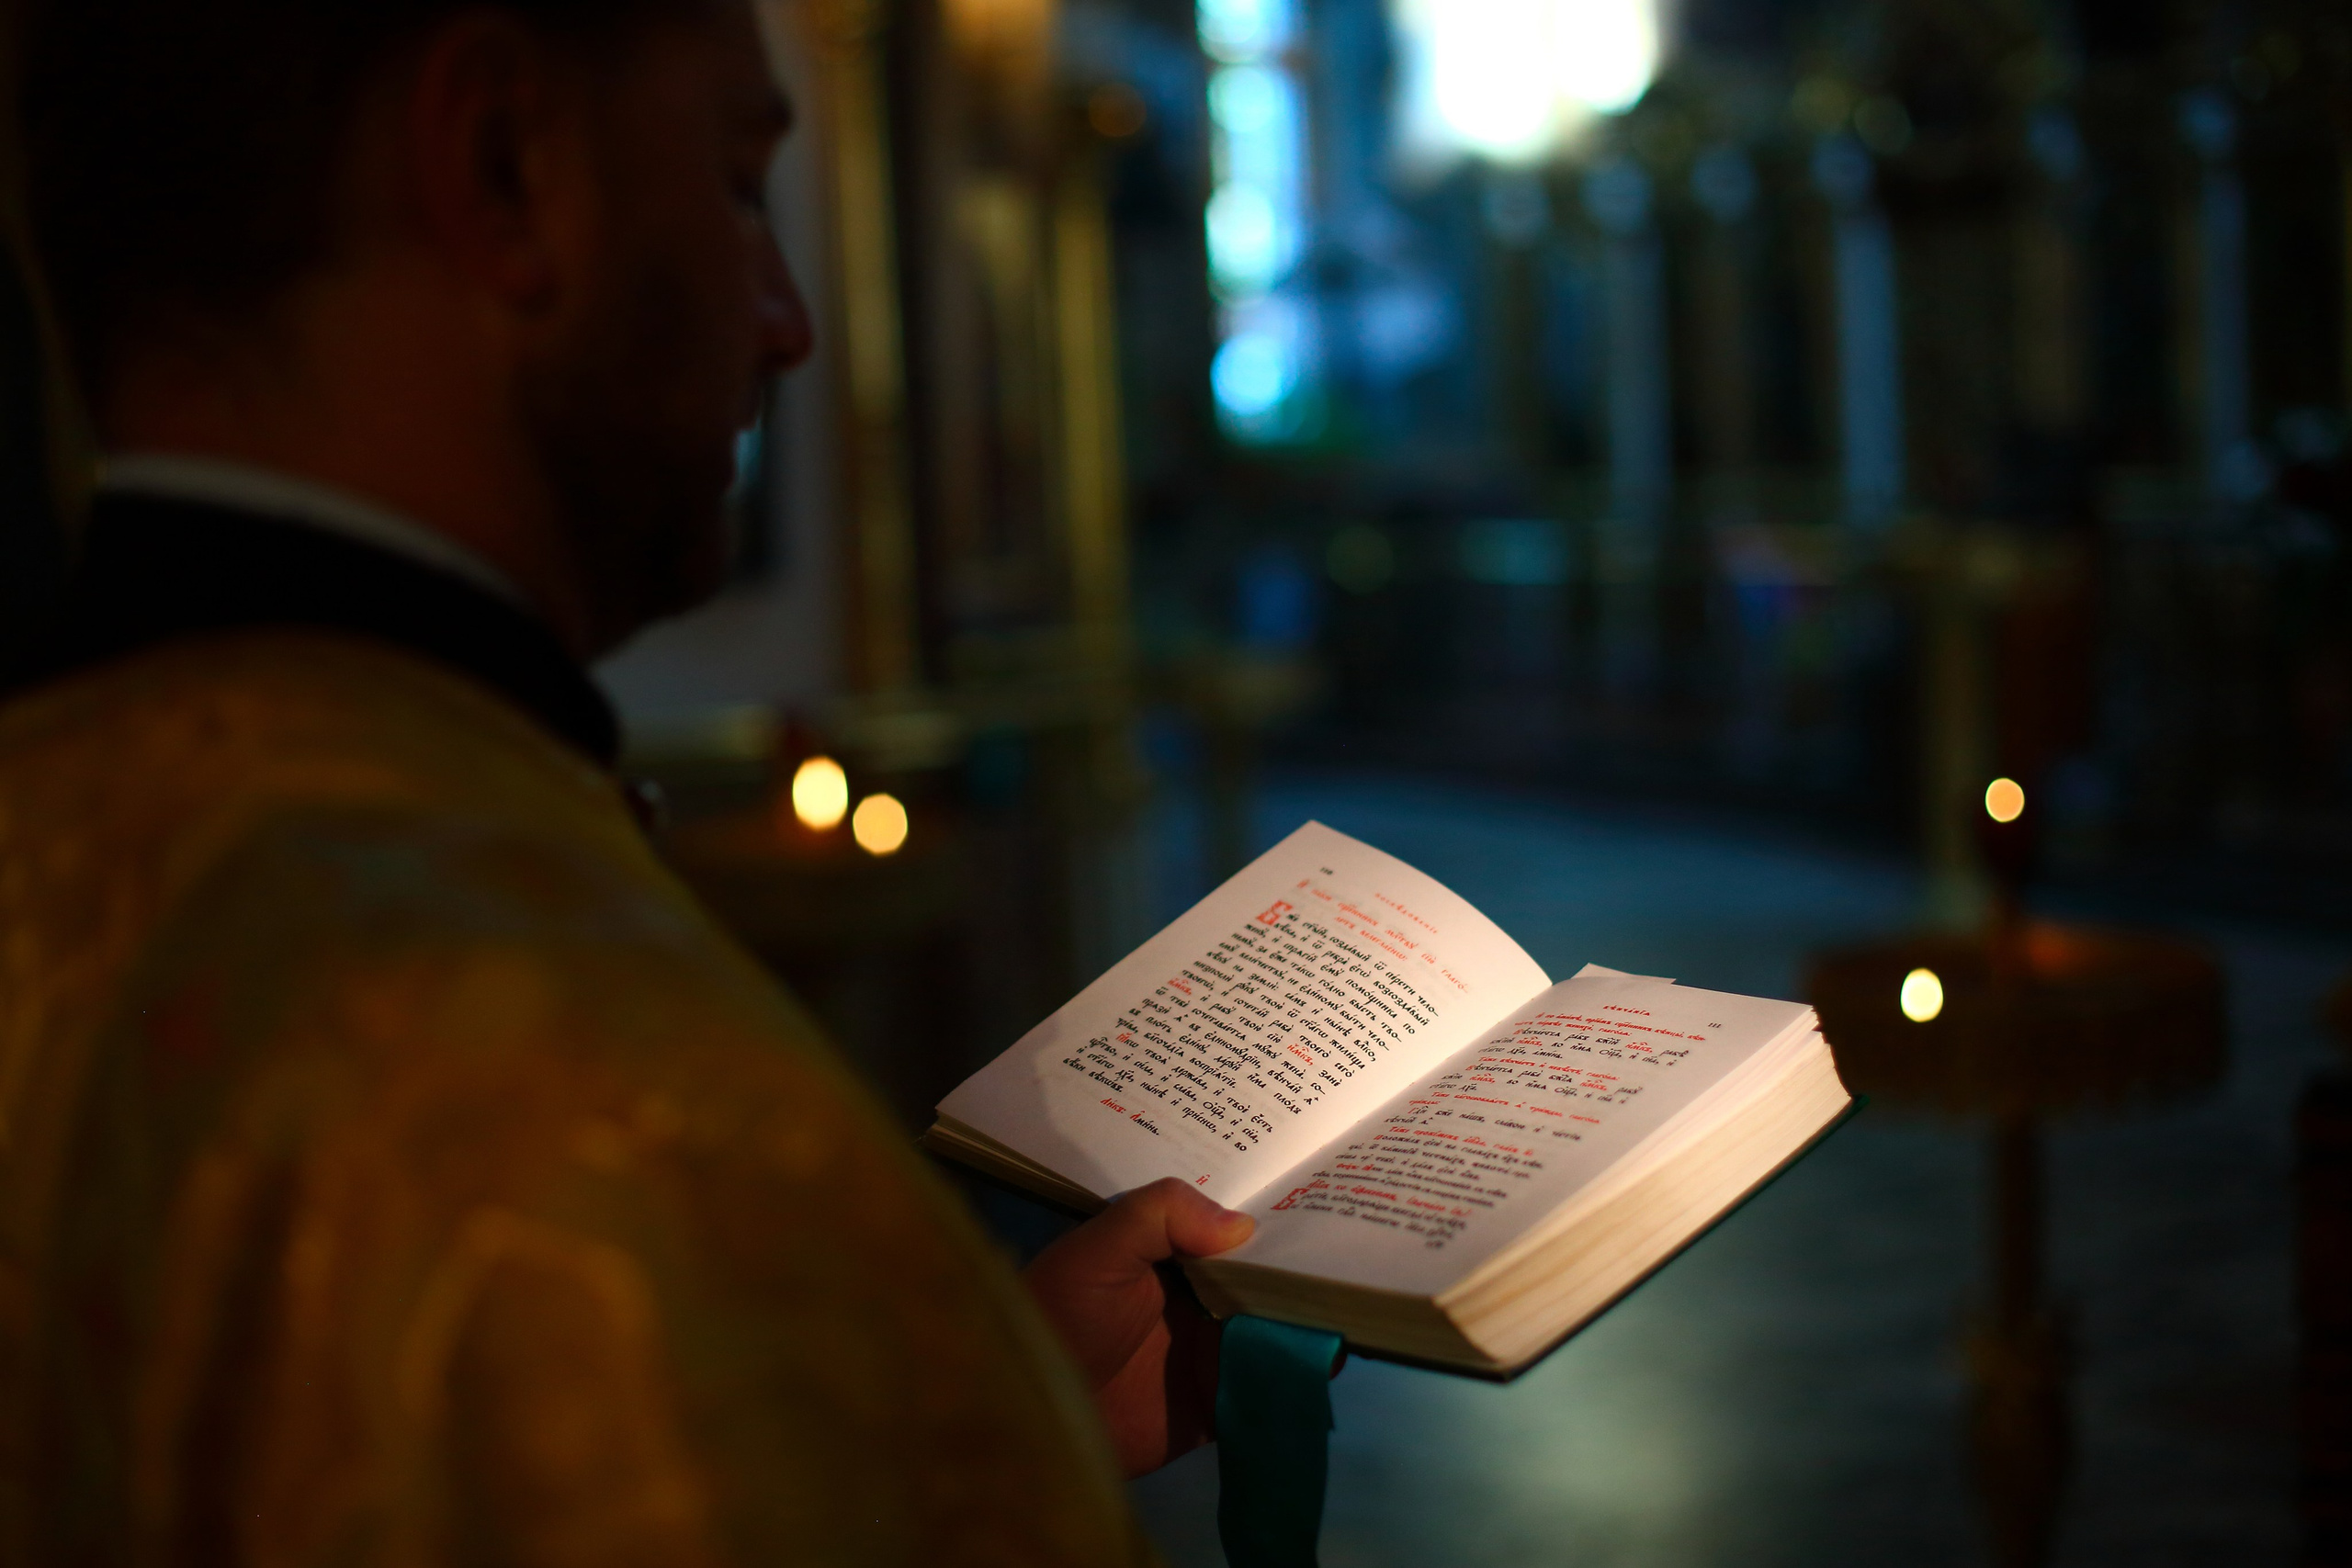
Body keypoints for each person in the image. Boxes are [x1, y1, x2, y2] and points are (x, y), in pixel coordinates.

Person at [0, 0, 1253, 1560]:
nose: (787, 315)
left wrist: (964, 1393)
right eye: (738, 188)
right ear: (506, 168)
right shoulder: (599, 1103)